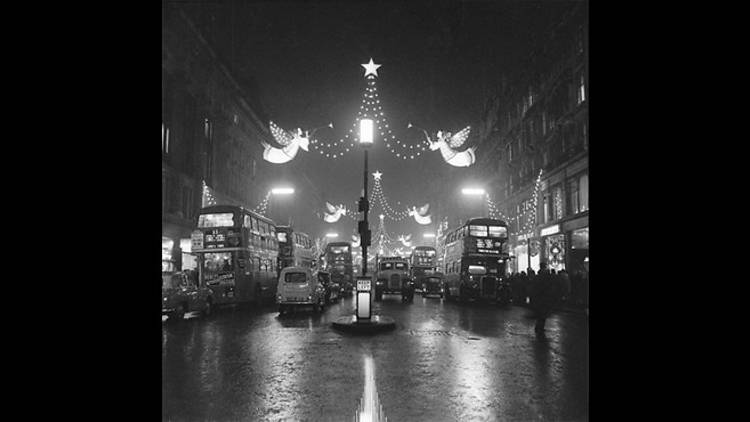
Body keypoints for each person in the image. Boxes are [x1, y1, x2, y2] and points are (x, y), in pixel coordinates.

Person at [530, 261, 563, 334]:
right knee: (542, 313)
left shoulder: (538, 276)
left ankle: (539, 327)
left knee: (541, 313)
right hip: (543, 296)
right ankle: (539, 327)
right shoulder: (544, 276)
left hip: (541, 296)